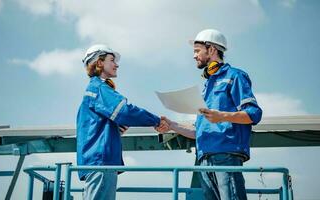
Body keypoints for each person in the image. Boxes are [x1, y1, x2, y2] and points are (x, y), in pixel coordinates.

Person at [157, 29, 262, 200]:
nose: (194, 56)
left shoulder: (235, 76)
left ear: (212, 49)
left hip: (226, 154)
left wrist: (222, 116)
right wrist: (172, 125)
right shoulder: (208, 85)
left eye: (197, 51)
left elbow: (254, 114)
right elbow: (199, 131)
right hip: (204, 157)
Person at [77, 44, 168, 200]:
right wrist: (156, 121)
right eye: (111, 60)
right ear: (99, 63)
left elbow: (97, 128)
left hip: (97, 163)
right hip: (102, 164)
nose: (116, 64)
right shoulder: (99, 88)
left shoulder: (94, 90)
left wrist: (114, 129)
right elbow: (125, 111)